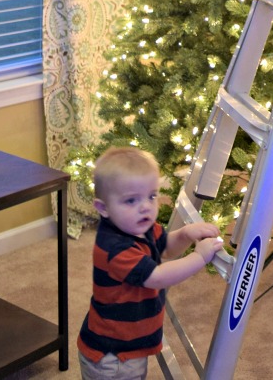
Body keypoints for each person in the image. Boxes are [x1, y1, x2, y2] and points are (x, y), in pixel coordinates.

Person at [77, 145, 224, 380]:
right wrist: (199, 257)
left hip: (129, 346)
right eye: (131, 200)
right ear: (103, 208)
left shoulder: (140, 227)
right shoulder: (115, 248)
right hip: (113, 357)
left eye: (151, 196)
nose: (145, 206)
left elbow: (165, 247)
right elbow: (157, 277)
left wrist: (185, 234)